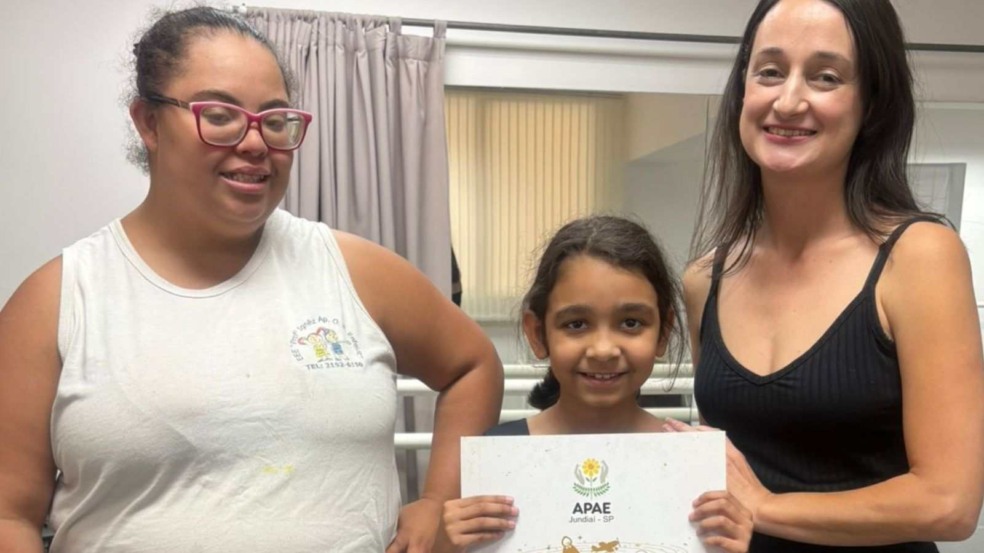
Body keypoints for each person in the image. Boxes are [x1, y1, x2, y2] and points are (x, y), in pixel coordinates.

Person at [0, 7, 503, 553]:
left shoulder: (356, 271)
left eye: (275, 119)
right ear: (148, 122)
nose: (257, 142)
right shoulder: (58, 298)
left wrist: (436, 502)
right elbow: (10, 516)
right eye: (220, 115)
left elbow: (473, 365)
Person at [673, 0, 984, 551]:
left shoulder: (920, 258)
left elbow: (948, 503)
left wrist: (766, 507)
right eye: (768, 71)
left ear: (871, 105)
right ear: (742, 89)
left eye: (826, 77)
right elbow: (728, 475)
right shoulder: (705, 278)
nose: (788, 100)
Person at [438, 216, 753, 553]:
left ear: (663, 332)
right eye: (576, 324)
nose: (603, 350)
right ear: (537, 333)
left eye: (631, 323)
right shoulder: (499, 458)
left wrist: (731, 543)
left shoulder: (692, 461)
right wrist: (446, 545)